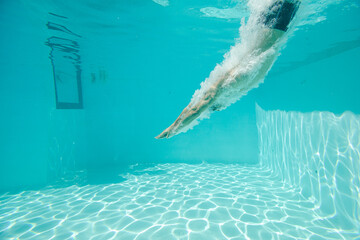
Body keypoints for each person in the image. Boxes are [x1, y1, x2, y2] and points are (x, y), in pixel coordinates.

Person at [156, 0, 300, 139]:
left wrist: (177, 123)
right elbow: (195, 109)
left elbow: (196, 107)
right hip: (270, 24)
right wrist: (172, 129)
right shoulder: (227, 80)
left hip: (280, 27)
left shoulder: (243, 86)